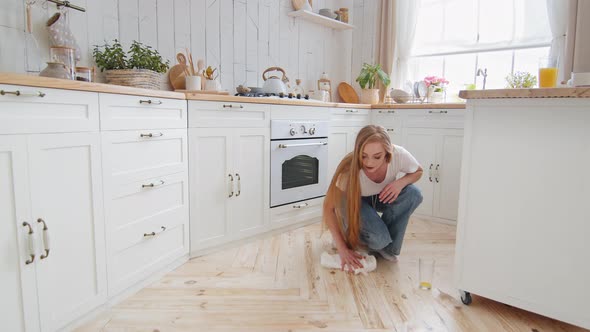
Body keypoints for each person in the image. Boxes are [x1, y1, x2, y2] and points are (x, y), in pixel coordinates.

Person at [323, 125, 424, 271]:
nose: (369, 163)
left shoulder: (398, 155)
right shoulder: (348, 169)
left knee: (413, 193)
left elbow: (418, 171)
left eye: (377, 157)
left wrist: (400, 183)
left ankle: (386, 247)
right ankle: (357, 236)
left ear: (387, 153)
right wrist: (342, 248)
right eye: (363, 156)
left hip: (382, 196)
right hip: (355, 201)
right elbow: (328, 208)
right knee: (378, 239)